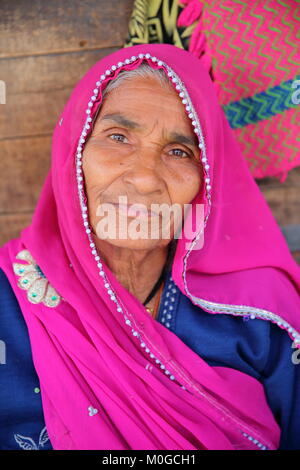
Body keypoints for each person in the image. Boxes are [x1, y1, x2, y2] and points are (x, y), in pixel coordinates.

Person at [0, 43, 300, 451]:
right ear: (75, 155)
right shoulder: (7, 300)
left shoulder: (264, 316)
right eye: (118, 136)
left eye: (179, 151)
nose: (144, 178)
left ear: (206, 180)